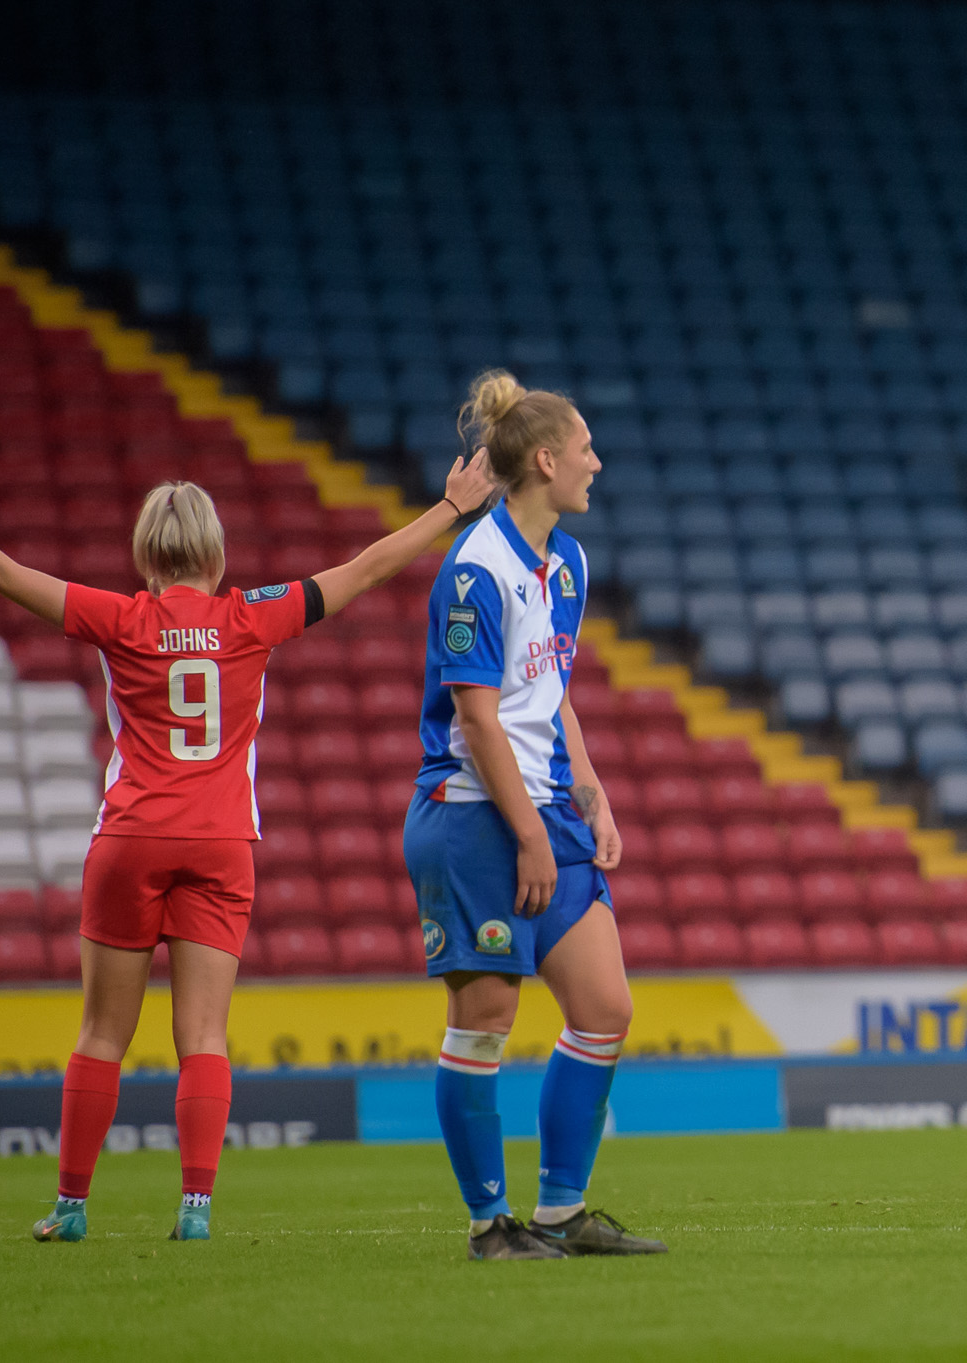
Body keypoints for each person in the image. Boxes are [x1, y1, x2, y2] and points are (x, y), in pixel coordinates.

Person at [0, 439, 496, 1243]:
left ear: (146, 553)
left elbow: (4, 574)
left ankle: (72, 1205)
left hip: (130, 836)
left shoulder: (120, 617)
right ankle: (195, 1207)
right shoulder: (250, 617)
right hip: (222, 840)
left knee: (101, 1033)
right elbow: (367, 568)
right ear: (215, 551)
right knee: (202, 1034)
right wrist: (449, 508)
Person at [403, 370, 663, 1261]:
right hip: (474, 813)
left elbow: (549, 695)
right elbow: (477, 720)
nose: (598, 461)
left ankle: (560, 1211)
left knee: (605, 1007)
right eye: (586, 446)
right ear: (547, 460)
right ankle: (489, 1224)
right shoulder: (477, 567)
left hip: (545, 807)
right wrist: (526, 835)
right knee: (485, 1018)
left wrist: (591, 793)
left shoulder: (568, 564)